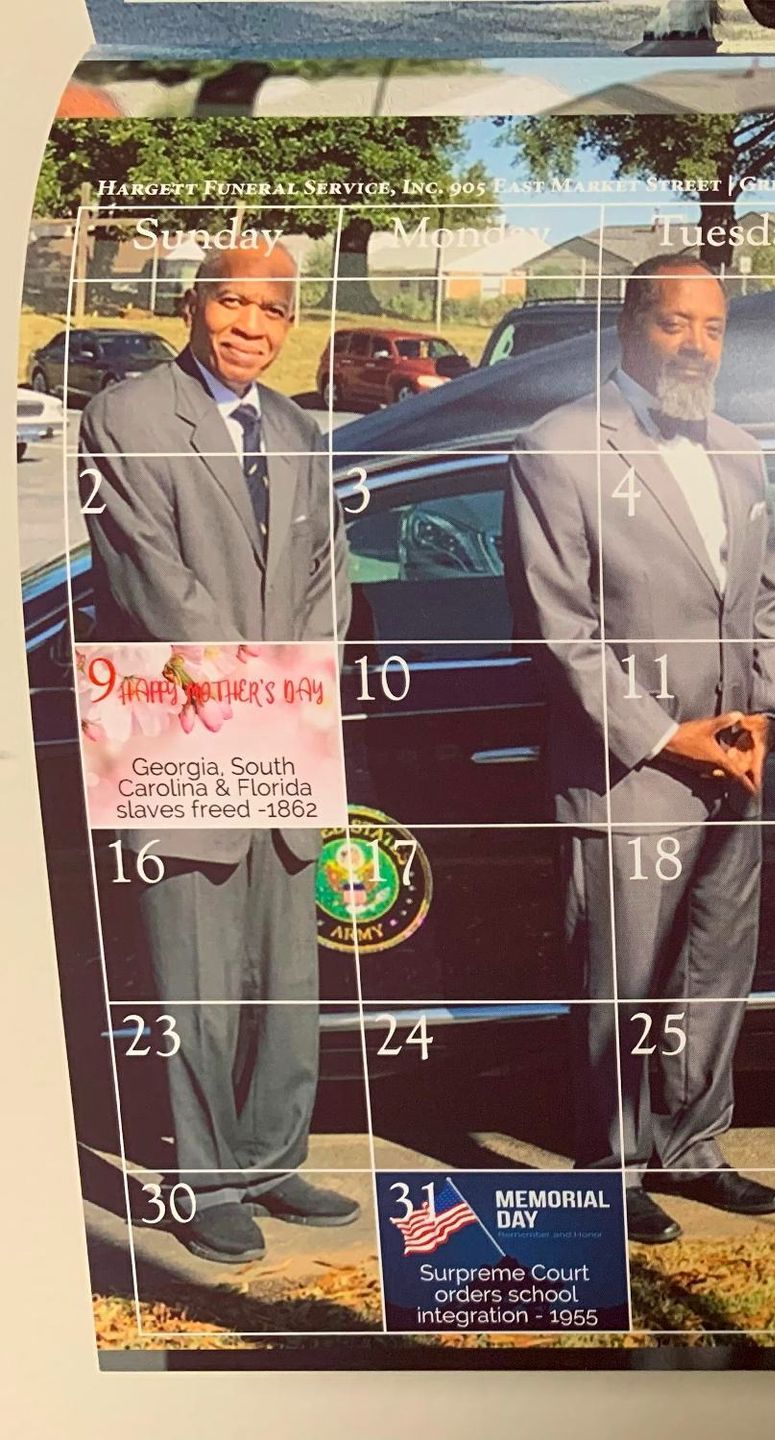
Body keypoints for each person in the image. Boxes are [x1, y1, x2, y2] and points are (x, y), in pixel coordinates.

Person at [502, 254, 775, 1246]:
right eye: (676, 324)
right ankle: (613, 1164)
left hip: (738, 766)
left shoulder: (745, 449)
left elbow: (766, 603)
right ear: (632, 327)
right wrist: (670, 737)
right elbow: (557, 631)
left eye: (713, 326)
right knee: (621, 980)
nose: (697, 344)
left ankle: (696, 1145)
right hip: (633, 771)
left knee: (717, 966)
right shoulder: (559, 447)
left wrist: (767, 718)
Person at [80, 238, 355, 1264]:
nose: (251, 326)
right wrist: (258, 684)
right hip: (174, 722)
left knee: (284, 968)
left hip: (283, 725)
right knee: (192, 971)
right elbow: (150, 580)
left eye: (274, 311)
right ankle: (203, 1182)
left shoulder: (297, 430)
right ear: (193, 304)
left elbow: (331, 575)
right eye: (233, 304)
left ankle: (272, 1158)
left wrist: (300, 675)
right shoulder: (129, 415)